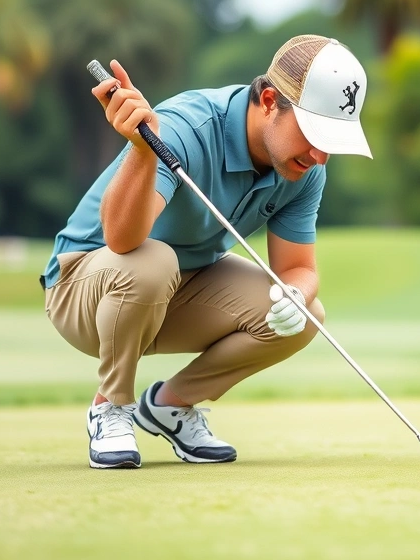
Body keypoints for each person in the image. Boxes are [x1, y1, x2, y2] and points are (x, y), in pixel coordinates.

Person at [41, 35, 372, 469]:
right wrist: (143, 150)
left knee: (308, 314)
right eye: (314, 133)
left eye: (332, 140)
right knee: (152, 262)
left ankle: (170, 405)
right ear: (269, 101)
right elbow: (121, 241)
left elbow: (298, 268)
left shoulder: (304, 168)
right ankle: (111, 406)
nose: (320, 156)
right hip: (83, 287)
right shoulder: (185, 128)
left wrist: (296, 295)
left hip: (174, 288)